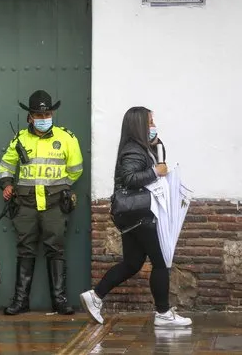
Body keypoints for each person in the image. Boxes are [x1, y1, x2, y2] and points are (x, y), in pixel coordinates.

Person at [80, 107, 192, 327]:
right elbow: (130, 178)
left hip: (134, 215)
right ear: (139, 125)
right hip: (141, 214)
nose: (153, 126)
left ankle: (95, 296)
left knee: (132, 263)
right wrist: (154, 172)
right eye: (150, 122)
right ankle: (163, 314)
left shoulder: (141, 147)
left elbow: (159, 164)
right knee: (161, 262)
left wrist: (157, 144)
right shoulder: (133, 150)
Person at [0, 89, 83, 316]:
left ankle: (60, 300)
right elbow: (6, 165)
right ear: (30, 116)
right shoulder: (20, 139)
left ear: (52, 114)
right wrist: (6, 183)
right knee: (25, 249)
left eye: (47, 115)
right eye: (38, 115)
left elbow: (76, 170)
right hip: (26, 203)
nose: (43, 119)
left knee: (56, 249)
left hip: (55, 203)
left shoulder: (67, 138)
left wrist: (59, 186)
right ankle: (20, 300)